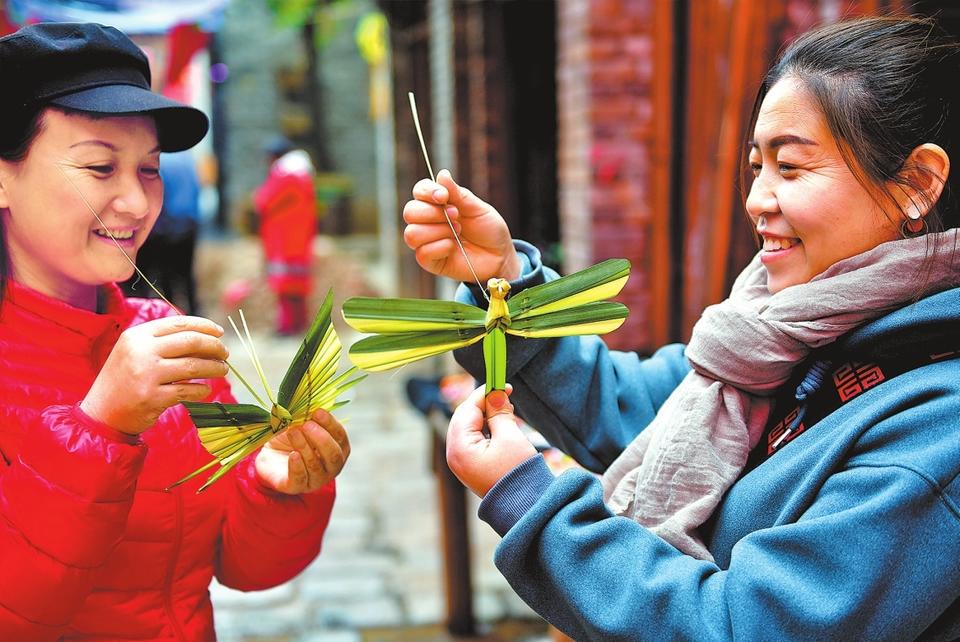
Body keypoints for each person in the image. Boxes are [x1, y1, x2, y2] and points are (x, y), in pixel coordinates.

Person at [402, 15, 960, 641]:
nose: (757, 200)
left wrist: (534, 505)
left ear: (916, 184)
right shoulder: (777, 331)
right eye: (757, 167)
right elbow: (623, 406)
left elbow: (743, 626)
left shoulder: (939, 427)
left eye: (792, 167)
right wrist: (501, 279)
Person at [0, 23, 349, 641]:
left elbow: (241, 567)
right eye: (100, 167)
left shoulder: (164, 338)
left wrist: (278, 487)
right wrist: (101, 424)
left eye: (151, 169)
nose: (136, 202)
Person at [122, 149, 202, 314]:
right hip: (189, 226)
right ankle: (195, 317)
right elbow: (196, 190)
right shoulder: (187, 160)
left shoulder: (157, 161)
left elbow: (159, 196)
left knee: (163, 280)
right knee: (186, 277)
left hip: (165, 229)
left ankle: (169, 318)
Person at [253, 135, 318, 336]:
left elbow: (263, 201)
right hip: (299, 240)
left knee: (285, 286)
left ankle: (287, 326)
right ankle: (299, 324)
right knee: (297, 287)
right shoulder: (302, 174)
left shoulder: (285, 175)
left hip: (284, 240)